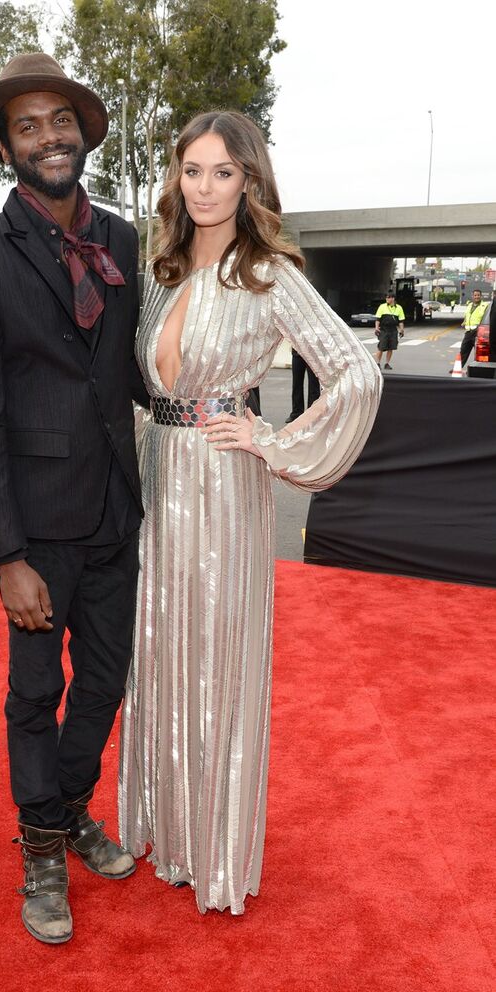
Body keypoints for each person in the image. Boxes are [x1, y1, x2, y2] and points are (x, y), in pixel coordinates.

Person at [118, 111, 382, 916]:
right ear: (176, 179)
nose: (204, 187)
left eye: (222, 173)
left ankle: (217, 848)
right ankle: (166, 824)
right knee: (158, 651)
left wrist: (274, 440)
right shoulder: (159, 268)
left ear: (250, 181)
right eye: (191, 171)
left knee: (218, 658)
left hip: (227, 485)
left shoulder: (267, 272)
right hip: (157, 481)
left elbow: (357, 374)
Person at [0, 53, 149, 946]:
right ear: (4, 148)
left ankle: (66, 807)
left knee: (105, 679)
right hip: (38, 528)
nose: (48, 136)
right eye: (26, 125)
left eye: (59, 120)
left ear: (82, 133)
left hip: (119, 510)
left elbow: (135, 367)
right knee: (37, 692)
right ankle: (41, 848)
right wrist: (7, 556)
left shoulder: (123, 238)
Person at [285, 349, 320, 422]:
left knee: (314, 385)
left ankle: (312, 413)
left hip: (312, 353)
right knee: (296, 384)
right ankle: (296, 413)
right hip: (297, 352)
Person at [374, 291, 405, 370]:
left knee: (391, 348)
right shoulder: (382, 306)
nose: (386, 299)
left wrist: (402, 330)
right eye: (386, 297)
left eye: (388, 297)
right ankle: (377, 363)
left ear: (393, 298)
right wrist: (377, 328)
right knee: (381, 347)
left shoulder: (399, 308)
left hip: (393, 330)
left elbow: (401, 321)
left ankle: (387, 363)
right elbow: (378, 319)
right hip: (384, 329)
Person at [459, 289, 489, 367]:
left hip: (478, 333)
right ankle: (458, 367)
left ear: (481, 296)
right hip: (468, 333)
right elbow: (467, 316)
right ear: (472, 296)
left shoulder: (485, 305)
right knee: (463, 350)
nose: (477, 297)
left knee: (478, 353)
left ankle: (479, 369)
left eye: (478, 295)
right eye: (475, 295)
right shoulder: (469, 305)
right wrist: (464, 322)